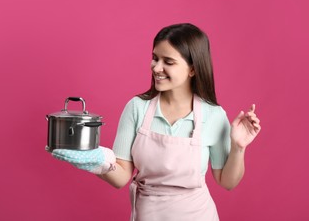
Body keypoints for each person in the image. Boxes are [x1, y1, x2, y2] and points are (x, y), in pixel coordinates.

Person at [52, 23, 262, 221]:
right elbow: (121, 177)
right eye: (155, 58)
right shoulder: (137, 108)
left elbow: (227, 182)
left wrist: (238, 148)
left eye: (168, 62)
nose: (156, 67)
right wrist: (96, 161)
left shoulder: (213, 115)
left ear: (192, 69)